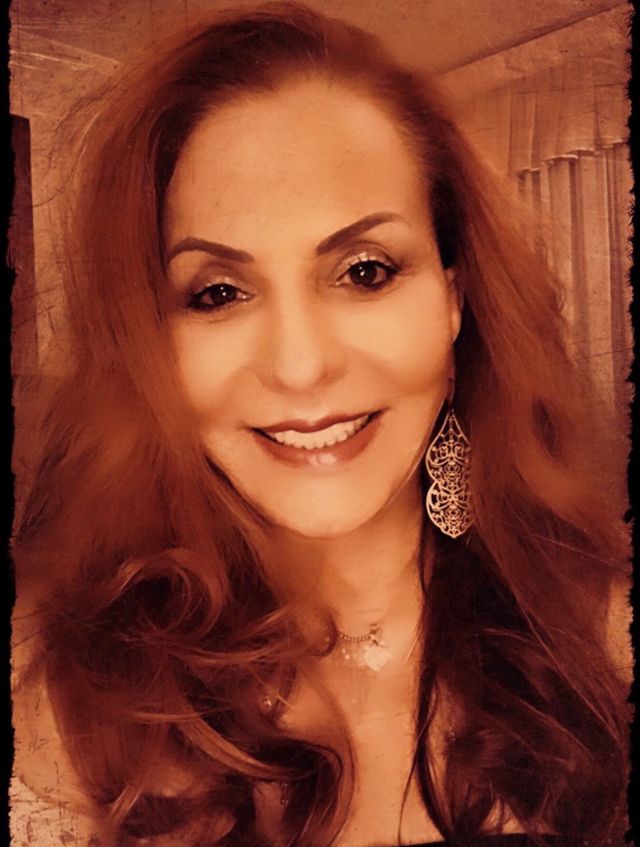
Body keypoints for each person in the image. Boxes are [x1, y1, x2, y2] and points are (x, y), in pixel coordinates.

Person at [11, 3, 631, 846]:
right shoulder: (55, 709)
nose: (300, 366)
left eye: (365, 271)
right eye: (218, 293)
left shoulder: (604, 645)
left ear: (454, 298)